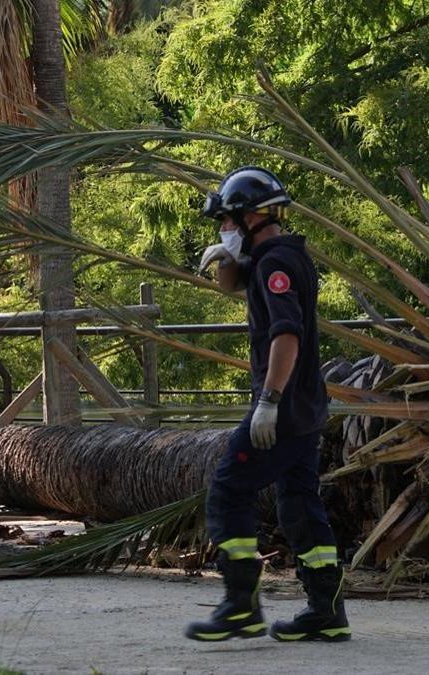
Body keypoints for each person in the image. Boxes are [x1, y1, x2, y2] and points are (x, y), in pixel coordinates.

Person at [184, 167, 350, 643]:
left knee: (228, 491)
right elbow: (231, 286)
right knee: (299, 505)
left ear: (253, 216)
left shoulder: (275, 266)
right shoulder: (274, 258)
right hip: (306, 408)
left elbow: (287, 336)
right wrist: (224, 257)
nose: (224, 230)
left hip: (284, 408)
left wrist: (269, 402)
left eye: (229, 223)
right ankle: (327, 613)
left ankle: (241, 607)